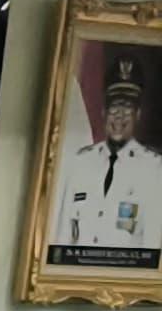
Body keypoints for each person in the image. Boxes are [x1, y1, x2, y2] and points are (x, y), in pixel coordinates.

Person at [49, 45, 150, 266]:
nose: (119, 118)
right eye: (114, 109)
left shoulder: (154, 171)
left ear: (138, 115)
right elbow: (62, 230)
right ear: (103, 113)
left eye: (127, 111)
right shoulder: (80, 162)